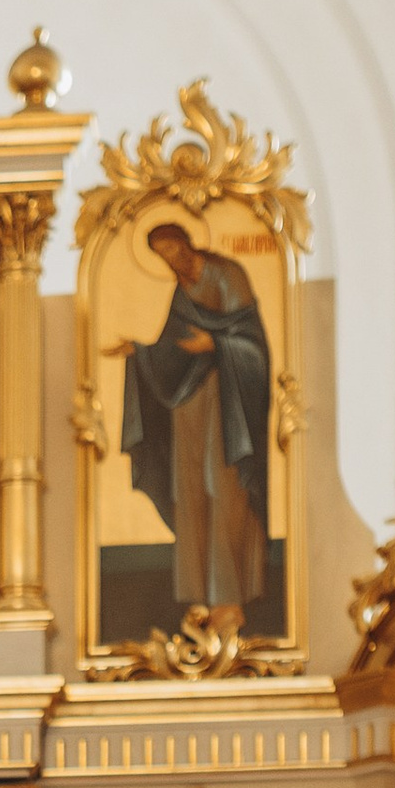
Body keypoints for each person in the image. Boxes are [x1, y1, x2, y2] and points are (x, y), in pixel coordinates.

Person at [114, 219, 273, 617]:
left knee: (224, 488)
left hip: (227, 401)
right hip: (190, 405)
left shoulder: (226, 275)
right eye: (160, 254)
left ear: (186, 243)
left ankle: (231, 599)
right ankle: (202, 595)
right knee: (192, 492)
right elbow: (172, 347)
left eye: (171, 248)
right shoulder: (181, 293)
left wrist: (216, 344)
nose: (169, 259)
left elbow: (251, 342)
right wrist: (139, 352)